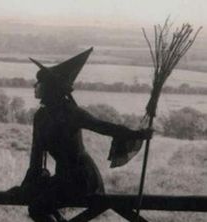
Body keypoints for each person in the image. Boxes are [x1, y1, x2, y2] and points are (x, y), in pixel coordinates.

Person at [20, 48, 152, 222]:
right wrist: (29, 185)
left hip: (82, 179)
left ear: (51, 88)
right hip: (63, 178)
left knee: (37, 208)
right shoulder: (40, 116)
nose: (35, 86)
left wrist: (138, 134)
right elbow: (36, 154)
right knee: (38, 204)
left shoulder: (71, 113)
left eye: (39, 82)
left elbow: (104, 127)